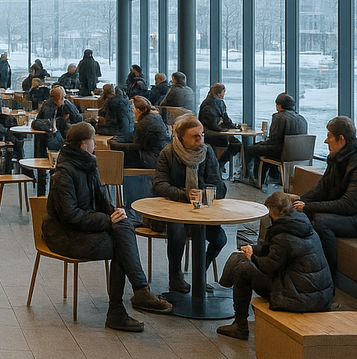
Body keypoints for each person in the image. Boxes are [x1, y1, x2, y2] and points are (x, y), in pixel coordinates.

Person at [45, 123, 173, 332]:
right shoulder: (63, 174)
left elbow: (101, 200)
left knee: (123, 226)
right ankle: (123, 305)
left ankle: (133, 297)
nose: (95, 145)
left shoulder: (88, 164)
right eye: (93, 141)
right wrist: (107, 220)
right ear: (85, 144)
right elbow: (70, 216)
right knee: (120, 244)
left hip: (84, 228)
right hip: (63, 235)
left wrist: (115, 212)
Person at [216, 191, 333, 341]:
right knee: (240, 258)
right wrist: (252, 250)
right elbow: (272, 250)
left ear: (275, 212)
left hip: (298, 296)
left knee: (243, 270)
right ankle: (226, 284)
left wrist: (252, 257)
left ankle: (240, 326)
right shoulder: (301, 223)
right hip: (318, 294)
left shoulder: (283, 235)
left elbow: (268, 267)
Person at [294, 116, 357, 278]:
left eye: (329, 136)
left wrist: (308, 207)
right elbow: (321, 189)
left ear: (341, 139)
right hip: (350, 214)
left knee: (321, 221)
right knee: (293, 211)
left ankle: (327, 275)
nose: (326, 141)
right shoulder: (337, 159)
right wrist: (300, 201)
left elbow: (349, 205)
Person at [152, 114, 227, 294]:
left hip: (201, 210)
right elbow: (159, 185)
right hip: (173, 210)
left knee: (220, 239)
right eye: (195, 136)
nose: (200, 139)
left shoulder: (207, 152)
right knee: (177, 234)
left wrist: (206, 192)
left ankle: (200, 273)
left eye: (201, 135)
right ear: (181, 137)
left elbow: (219, 185)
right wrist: (183, 194)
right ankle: (175, 277)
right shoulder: (168, 153)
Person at [244, 93, 308, 183]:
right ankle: (274, 174)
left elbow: (273, 140)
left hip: (282, 153)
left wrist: (262, 143)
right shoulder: (302, 119)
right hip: (298, 154)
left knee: (253, 149)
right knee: (265, 149)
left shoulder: (279, 117)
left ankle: (257, 179)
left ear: (279, 105)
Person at [110, 96, 171, 168]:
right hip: (160, 156)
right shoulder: (155, 117)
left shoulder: (143, 123)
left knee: (118, 156)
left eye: (132, 109)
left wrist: (116, 145)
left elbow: (136, 146)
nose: (131, 111)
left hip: (151, 160)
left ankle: (116, 177)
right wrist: (120, 139)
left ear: (138, 110)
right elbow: (134, 136)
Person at [198, 83, 241, 167]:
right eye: (223, 92)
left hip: (214, 131)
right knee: (236, 145)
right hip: (210, 134)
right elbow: (213, 124)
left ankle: (219, 164)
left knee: (236, 144)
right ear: (219, 92)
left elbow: (223, 120)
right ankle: (219, 164)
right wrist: (227, 129)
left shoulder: (212, 102)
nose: (224, 94)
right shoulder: (213, 104)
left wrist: (230, 127)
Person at [34, 86, 82, 154]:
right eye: (62, 99)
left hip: (53, 137)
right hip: (49, 140)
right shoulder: (48, 109)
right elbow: (51, 129)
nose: (63, 101)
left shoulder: (63, 104)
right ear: (55, 99)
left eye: (64, 98)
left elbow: (79, 118)